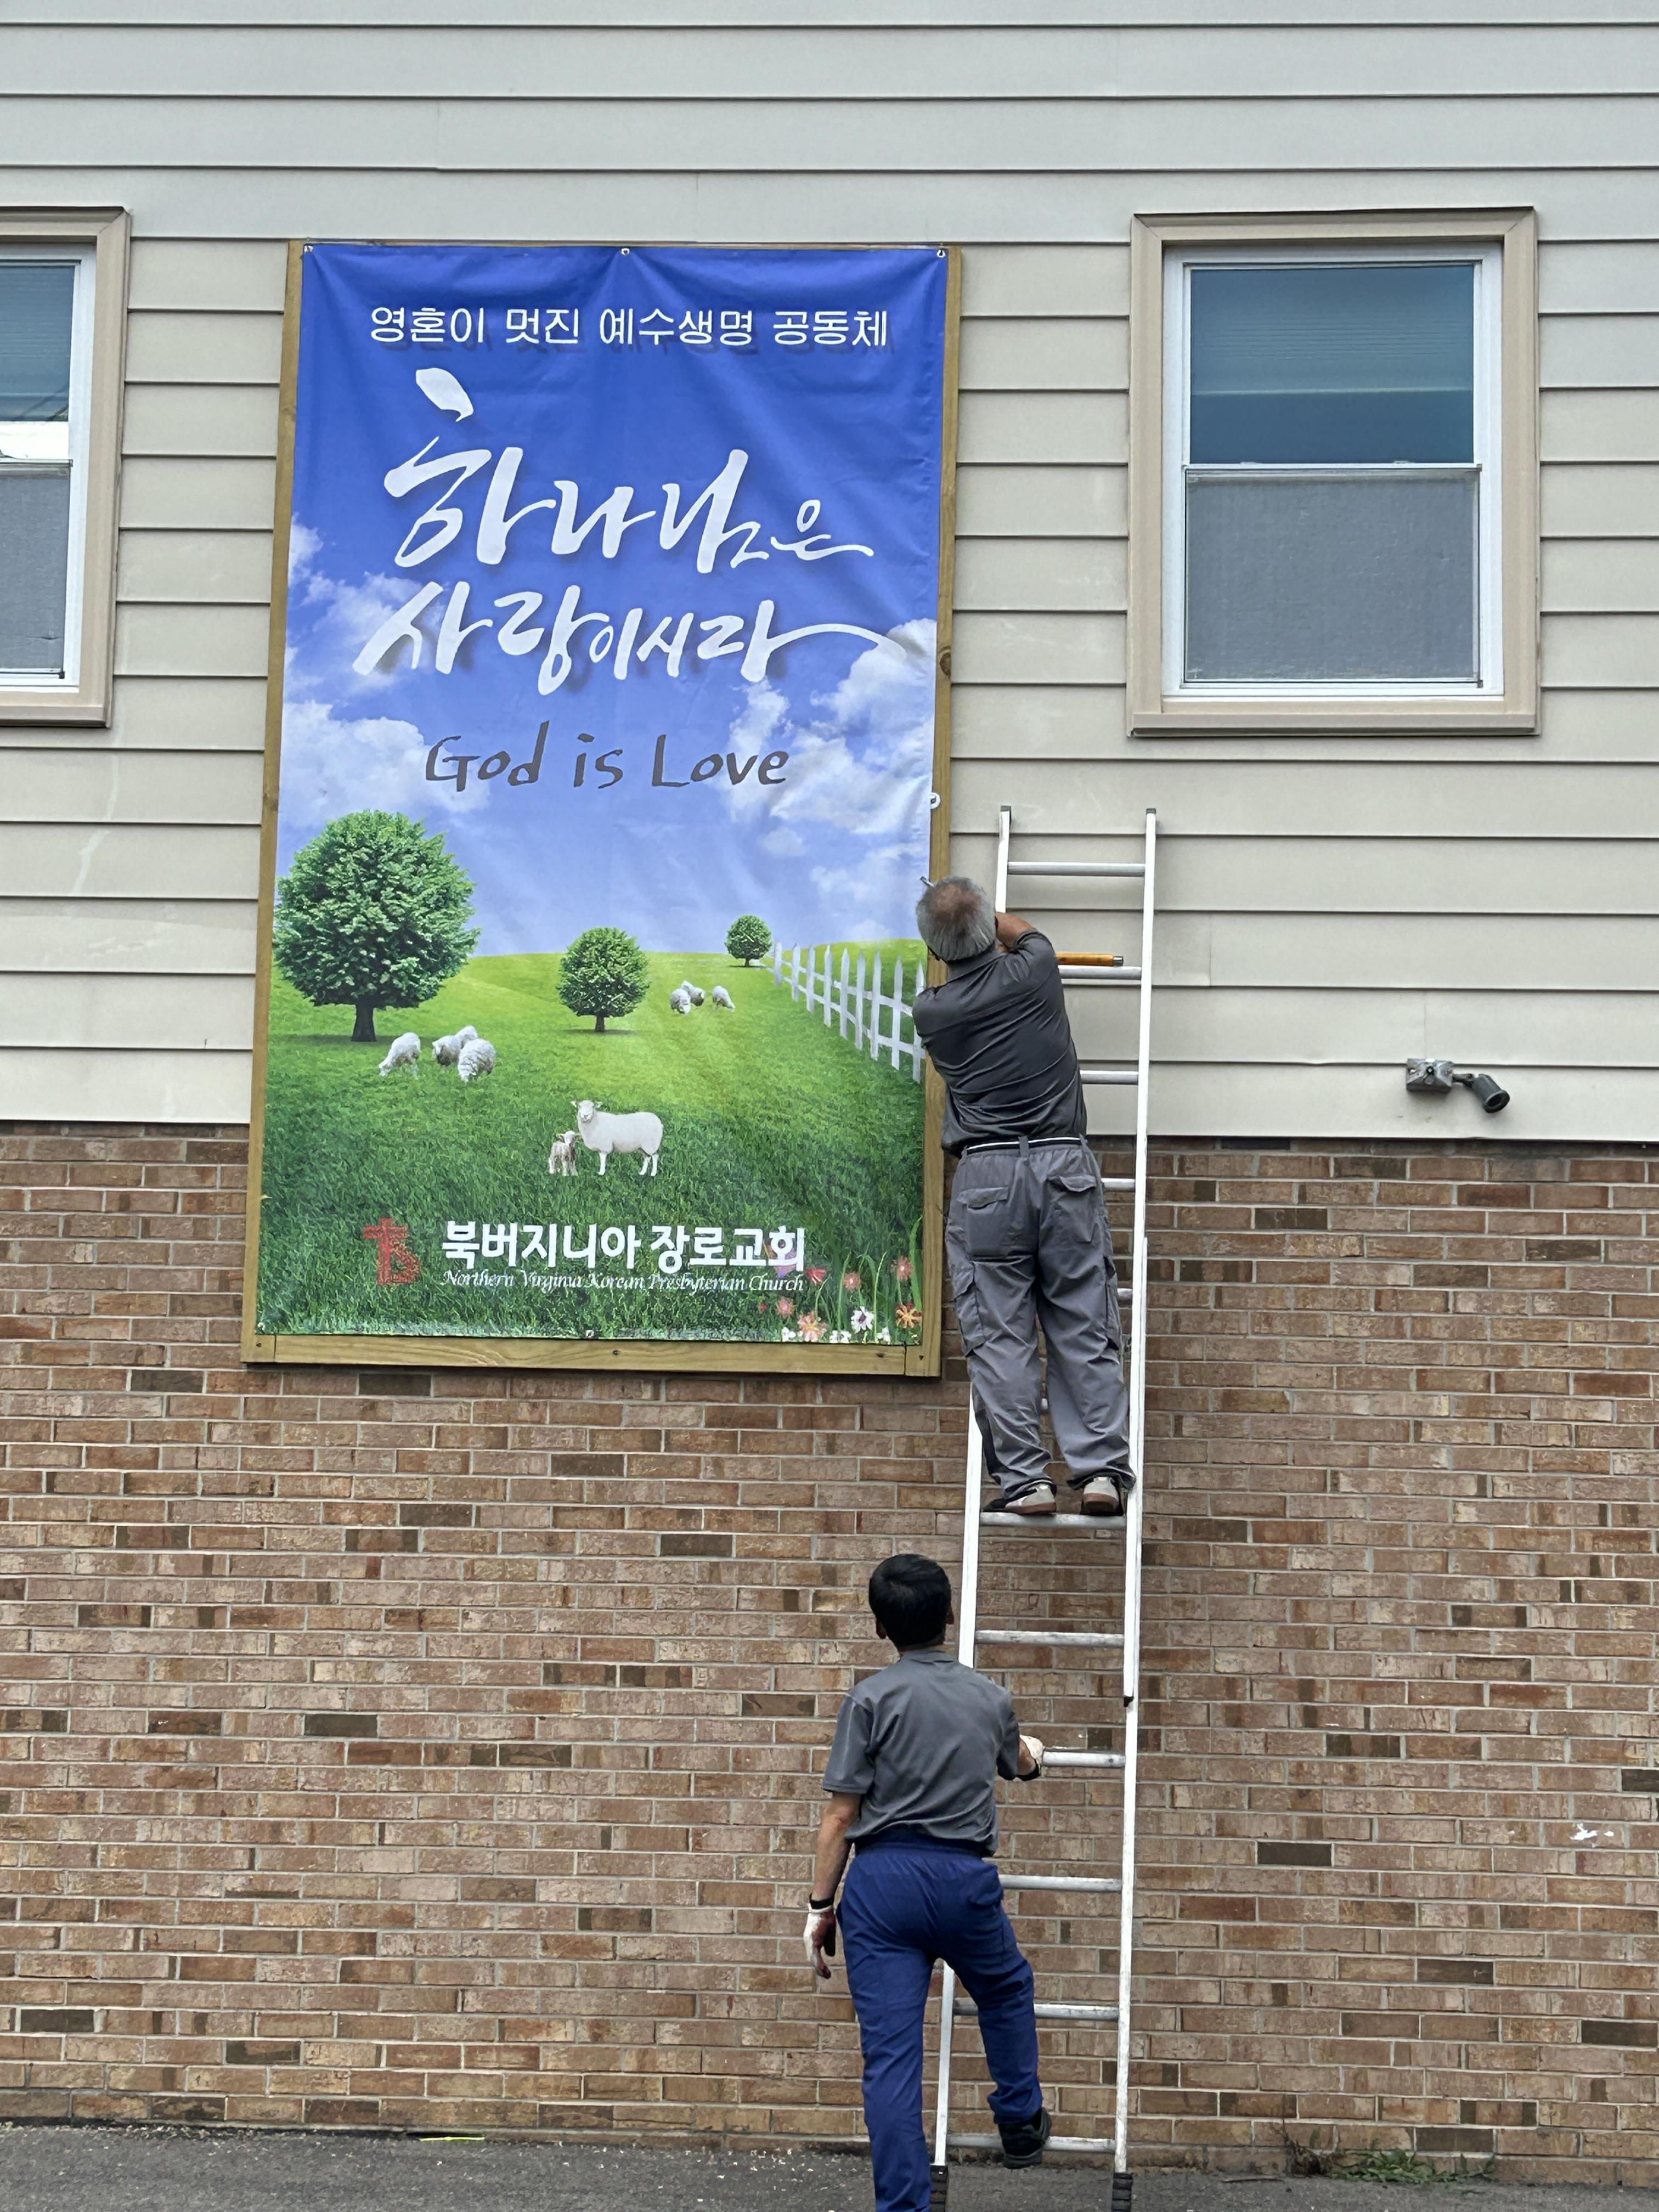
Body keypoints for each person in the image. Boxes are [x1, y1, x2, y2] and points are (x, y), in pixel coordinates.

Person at [805, 1554, 1053, 2212]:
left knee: (891, 2059)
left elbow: (840, 1817)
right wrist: (1034, 1754)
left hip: (881, 1886)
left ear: (880, 1627)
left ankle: (904, 2207)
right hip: (961, 1880)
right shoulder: (990, 1698)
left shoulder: (868, 1700)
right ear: (950, 1614)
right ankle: (1020, 2118)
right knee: (1005, 1987)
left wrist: (819, 1907)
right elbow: (1017, 1762)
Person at [910, 874, 1131, 1518]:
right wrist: (983, 910)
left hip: (987, 1176)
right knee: (1083, 1321)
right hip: (1064, 1167)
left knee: (999, 1334)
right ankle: (1100, 1473)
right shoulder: (1034, 970)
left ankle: (1026, 1481)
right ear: (989, 929)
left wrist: (950, 920)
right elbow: (1023, 932)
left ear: (935, 949)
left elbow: (963, 942)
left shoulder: (932, 1012)